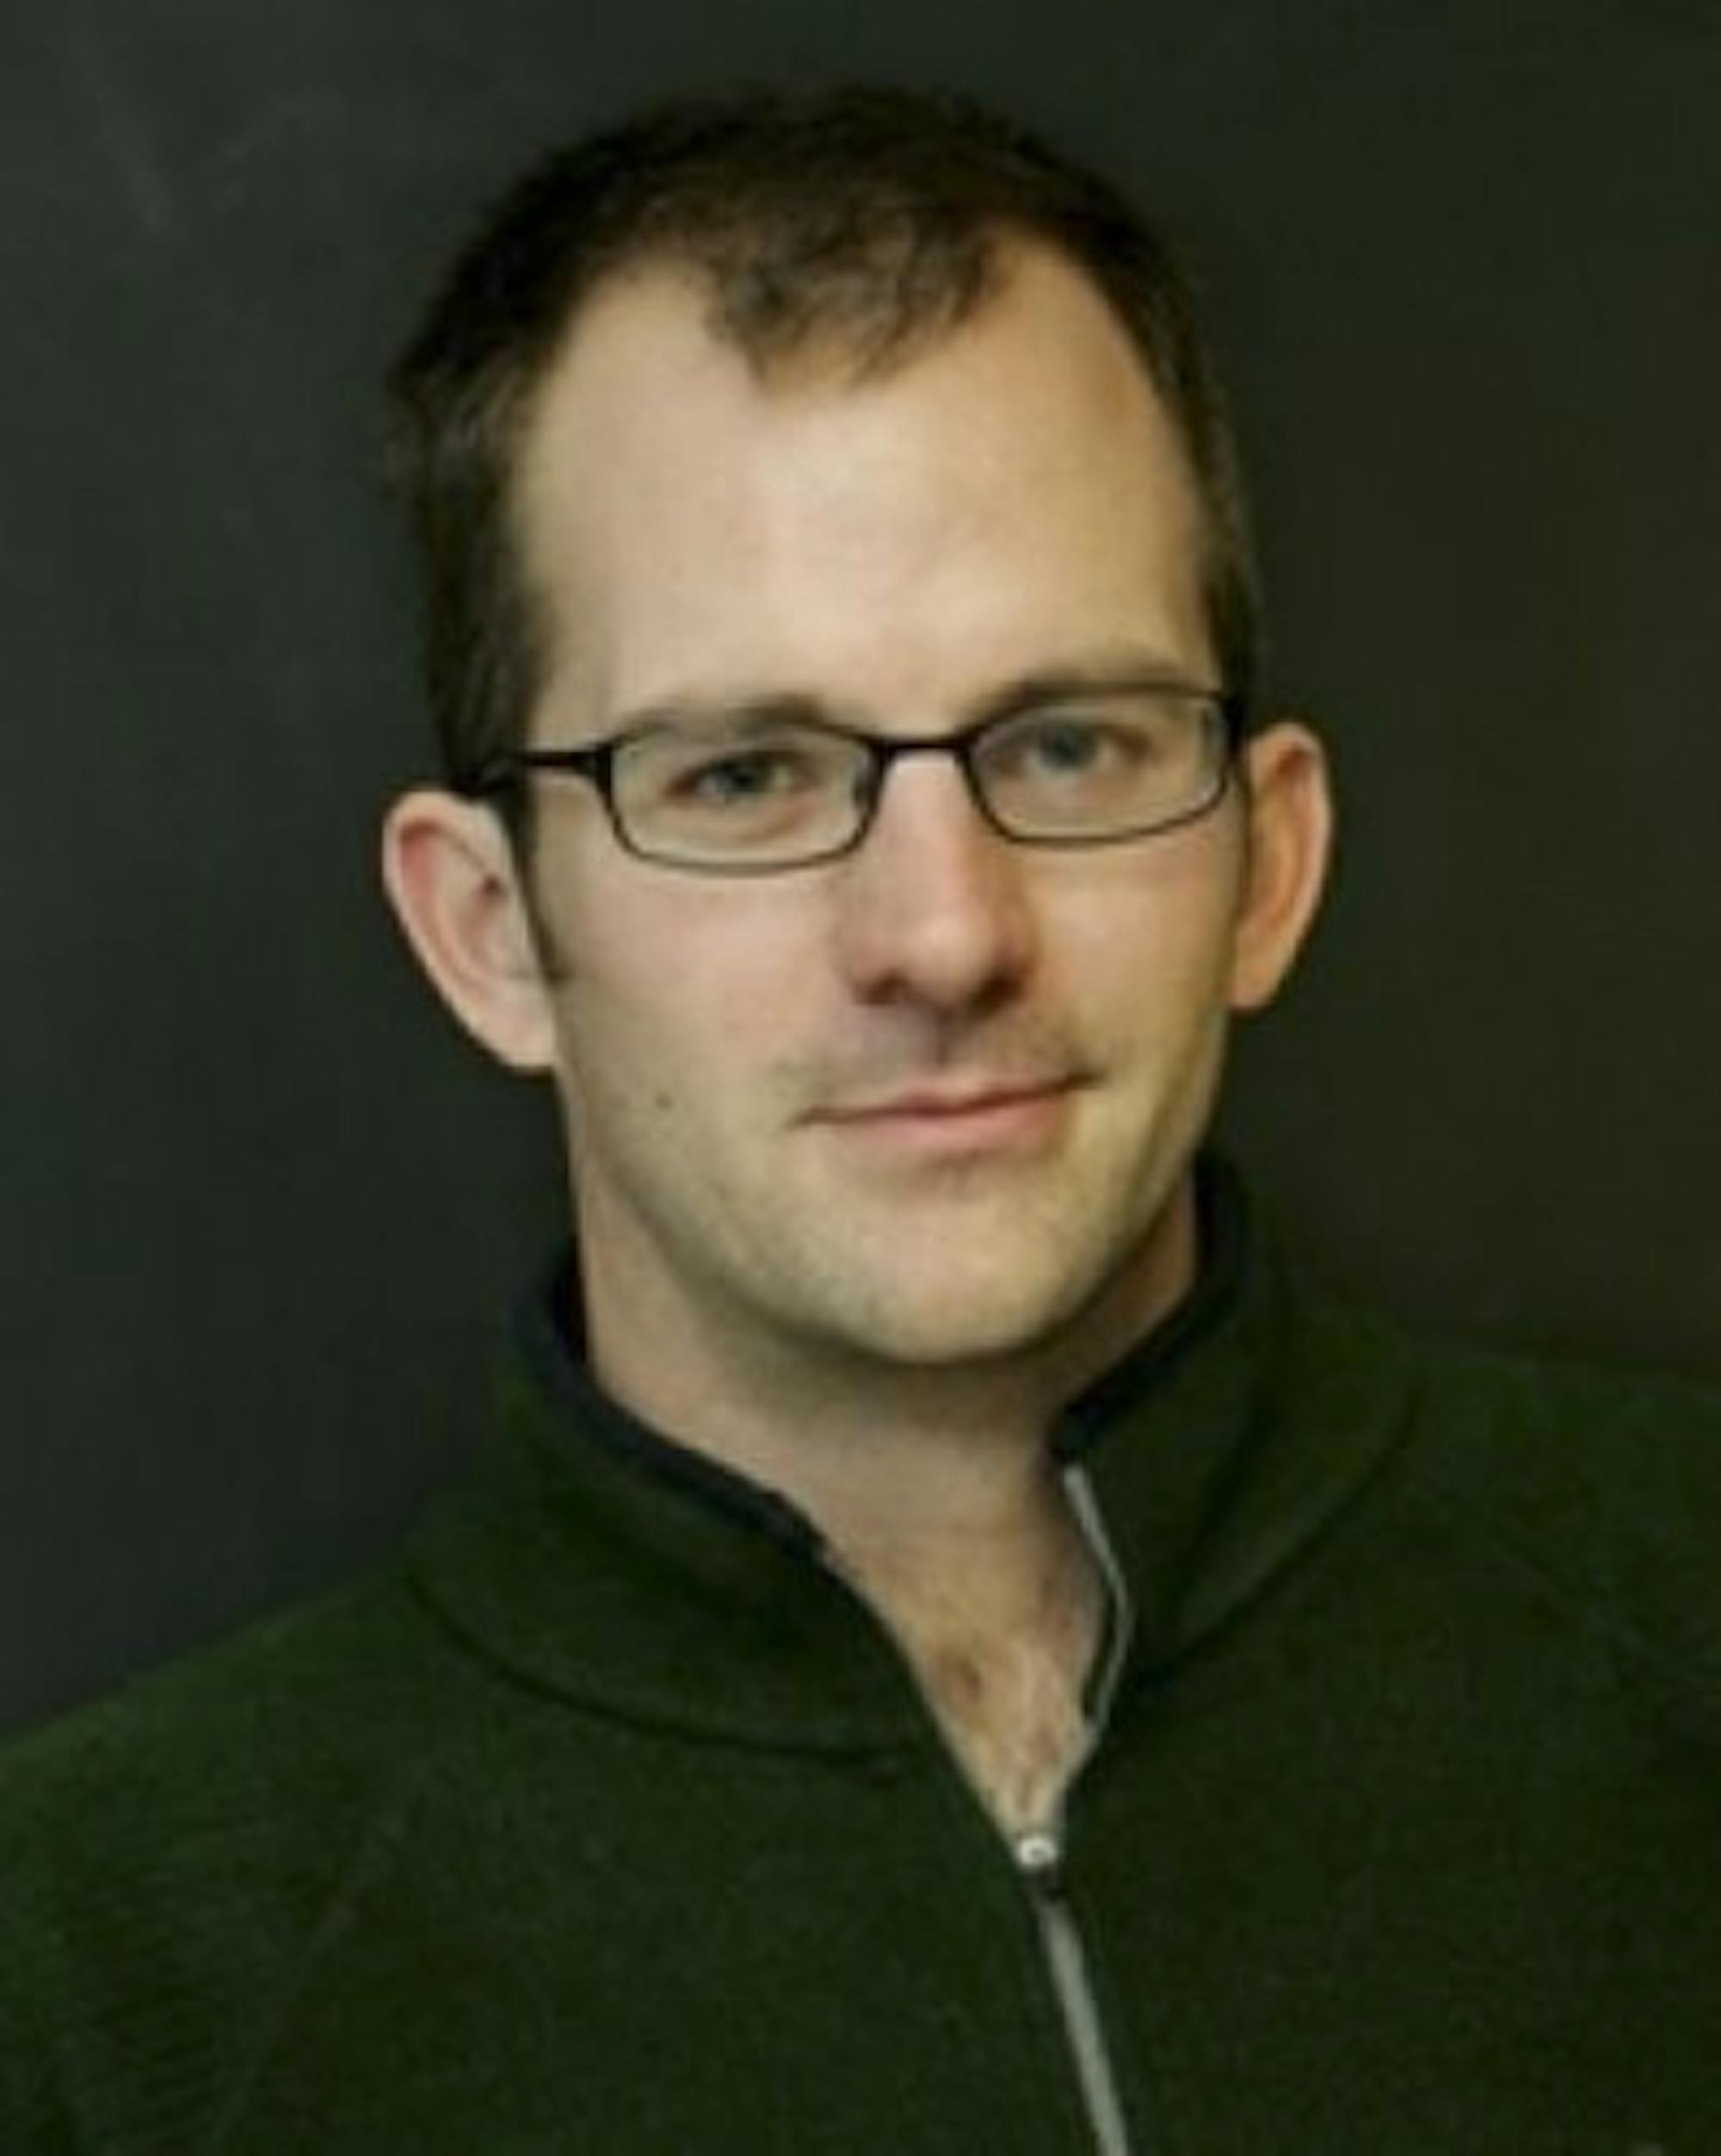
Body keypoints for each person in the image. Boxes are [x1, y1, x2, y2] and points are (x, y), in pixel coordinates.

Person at [3, 83, 1718, 2155]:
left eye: (1069, 742)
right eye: (743, 776)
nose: (942, 933)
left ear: (1265, 862)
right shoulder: (86, 1984)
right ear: (491, 931)